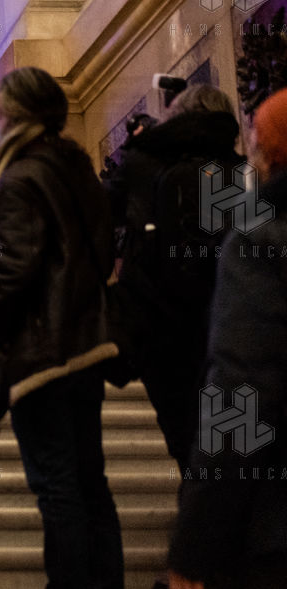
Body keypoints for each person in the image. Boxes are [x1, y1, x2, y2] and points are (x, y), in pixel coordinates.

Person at [0, 66, 123, 589]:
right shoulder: (76, 166)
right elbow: (104, 249)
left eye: (0, 109)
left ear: (14, 113)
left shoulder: (20, 175)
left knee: (56, 484)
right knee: (90, 481)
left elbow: (16, 265)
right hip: (87, 344)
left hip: (43, 352)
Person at [168, 88, 287, 589]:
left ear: (272, 156)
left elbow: (243, 393)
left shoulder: (261, 240)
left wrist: (193, 546)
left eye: (256, 145)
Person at [103, 84, 242, 467]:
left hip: (168, 332)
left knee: (188, 443)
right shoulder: (245, 173)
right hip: (231, 328)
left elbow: (104, 213)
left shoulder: (154, 168)